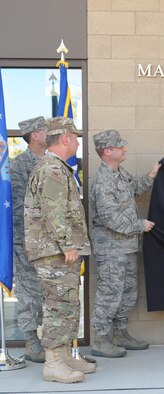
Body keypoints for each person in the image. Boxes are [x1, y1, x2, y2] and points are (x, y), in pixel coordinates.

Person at [24, 117, 95, 383]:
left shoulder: (58, 168)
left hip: (57, 250)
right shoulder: (52, 169)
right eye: (75, 137)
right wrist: (68, 244)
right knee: (57, 306)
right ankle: (52, 363)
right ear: (65, 139)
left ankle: (63, 356)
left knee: (67, 305)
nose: (77, 141)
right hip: (54, 250)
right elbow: (53, 212)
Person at [90, 129, 161, 358]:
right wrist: (140, 225)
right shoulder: (103, 181)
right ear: (107, 151)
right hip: (111, 250)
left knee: (128, 293)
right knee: (109, 294)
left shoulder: (120, 173)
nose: (125, 149)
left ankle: (120, 334)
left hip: (128, 247)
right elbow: (110, 218)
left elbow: (136, 189)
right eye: (120, 147)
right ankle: (101, 340)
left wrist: (152, 174)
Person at [11, 116, 48, 363]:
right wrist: (28, 238)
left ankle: (47, 340)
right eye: (45, 130)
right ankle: (31, 342)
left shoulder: (50, 163)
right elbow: (17, 208)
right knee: (29, 293)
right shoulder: (19, 165)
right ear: (34, 135)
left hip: (49, 242)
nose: (49, 133)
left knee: (46, 293)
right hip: (27, 241)